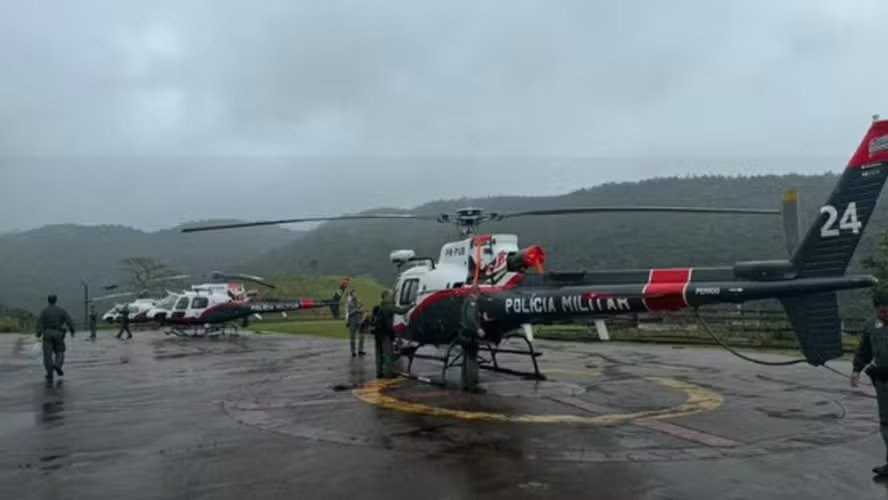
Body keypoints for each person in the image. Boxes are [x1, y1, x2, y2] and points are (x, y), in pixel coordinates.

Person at [852, 290, 888, 477]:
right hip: (883, 383)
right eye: (882, 312)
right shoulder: (870, 326)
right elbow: (864, 350)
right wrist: (857, 370)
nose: (885, 315)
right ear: (875, 310)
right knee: (886, 422)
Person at [36, 294, 76, 383]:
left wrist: (38, 333)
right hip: (58, 333)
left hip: (47, 334)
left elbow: (39, 322)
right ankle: (58, 364)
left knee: (47, 355)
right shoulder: (61, 310)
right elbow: (69, 320)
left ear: (48, 300)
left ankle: (49, 374)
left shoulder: (44, 311)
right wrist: (72, 330)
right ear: (56, 300)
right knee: (60, 351)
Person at [458, 290, 486, 392]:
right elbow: (470, 316)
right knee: (472, 359)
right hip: (471, 334)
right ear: (476, 293)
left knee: (466, 359)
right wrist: (478, 328)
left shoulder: (466, 301)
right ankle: (473, 385)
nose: (479, 298)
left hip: (464, 334)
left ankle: (464, 384)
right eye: (479, 295)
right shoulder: (472, 302)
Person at [347, 290, 365, 357]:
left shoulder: (359, 301)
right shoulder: (349, 303)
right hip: (352, 322)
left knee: (361, 336)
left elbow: (363, 308)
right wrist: (356, 310)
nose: (355, 294)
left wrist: (361, 310)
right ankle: (353, 351)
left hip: (359, 321)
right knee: (352, 337)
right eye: (354, 294)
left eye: (356, 293)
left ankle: (360, 350)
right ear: (351, 295)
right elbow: (350, 313)